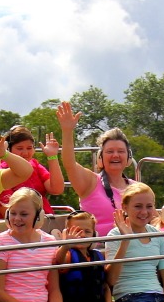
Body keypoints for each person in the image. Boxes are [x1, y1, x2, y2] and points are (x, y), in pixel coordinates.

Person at [55, 100, 135, 236]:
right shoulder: (91, 182)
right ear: (100, 158)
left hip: (131, 248)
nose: (115, 155)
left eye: (121, 151)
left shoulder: (137, 188)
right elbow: (69, 163)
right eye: (110, 151)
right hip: (98, 250)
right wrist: (67, 131)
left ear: (128, 157)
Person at [0, 125, 65, 218]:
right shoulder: (1, 172)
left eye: (29, 148)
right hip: (18, 224)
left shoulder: (35, 165)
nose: (25, 153)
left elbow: (57, 189)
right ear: (9, 149)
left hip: (44, 219)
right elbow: (9, 213)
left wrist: (52, 156)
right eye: (19, 148)